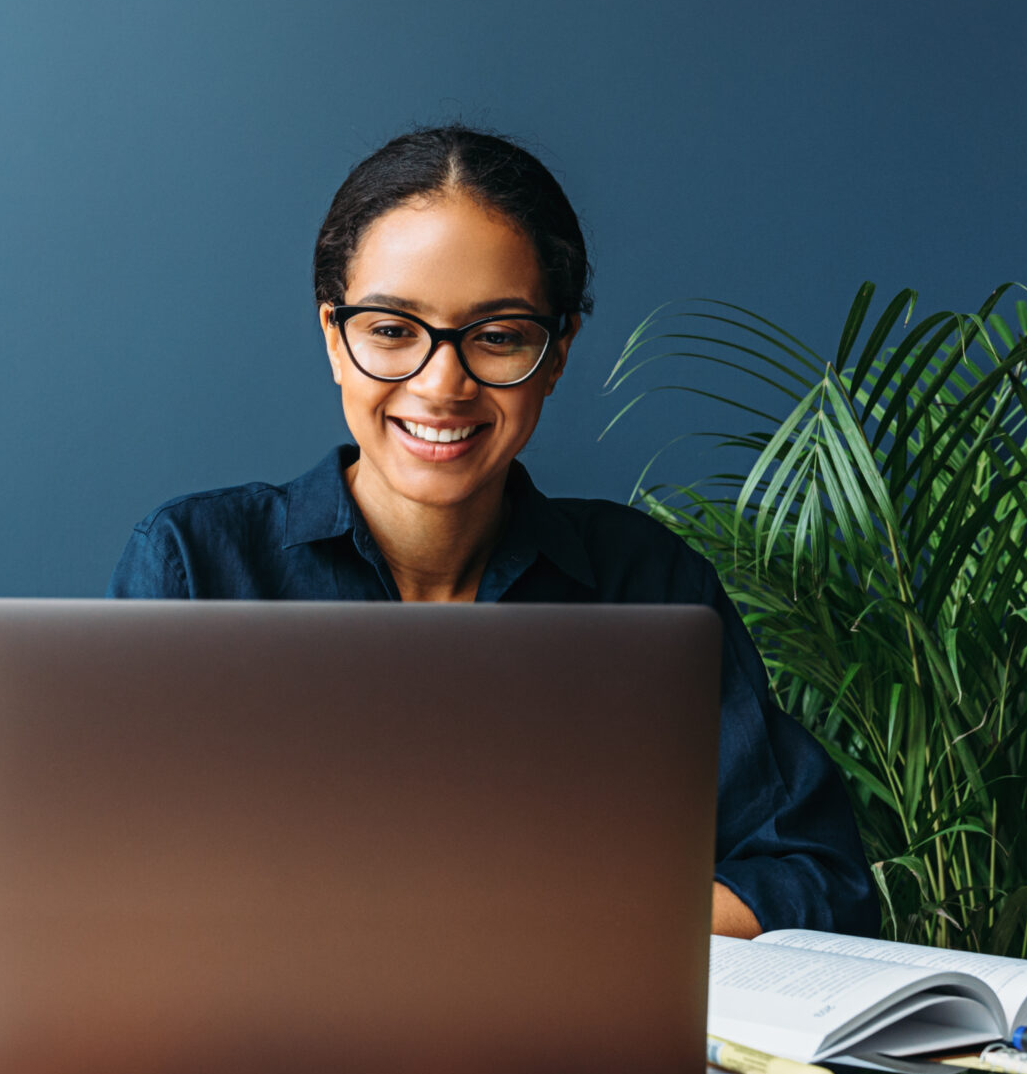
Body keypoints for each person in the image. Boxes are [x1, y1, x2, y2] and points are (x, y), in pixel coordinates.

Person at [108, 125, 878, 937]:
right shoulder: (197, 566)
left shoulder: (647, 587)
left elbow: (815, 877)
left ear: (558, 352)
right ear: (335, 337)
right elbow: (104, 888)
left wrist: (547, 928)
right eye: (392, 330)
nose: (443, 383)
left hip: (568, 1052)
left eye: (499, 336)